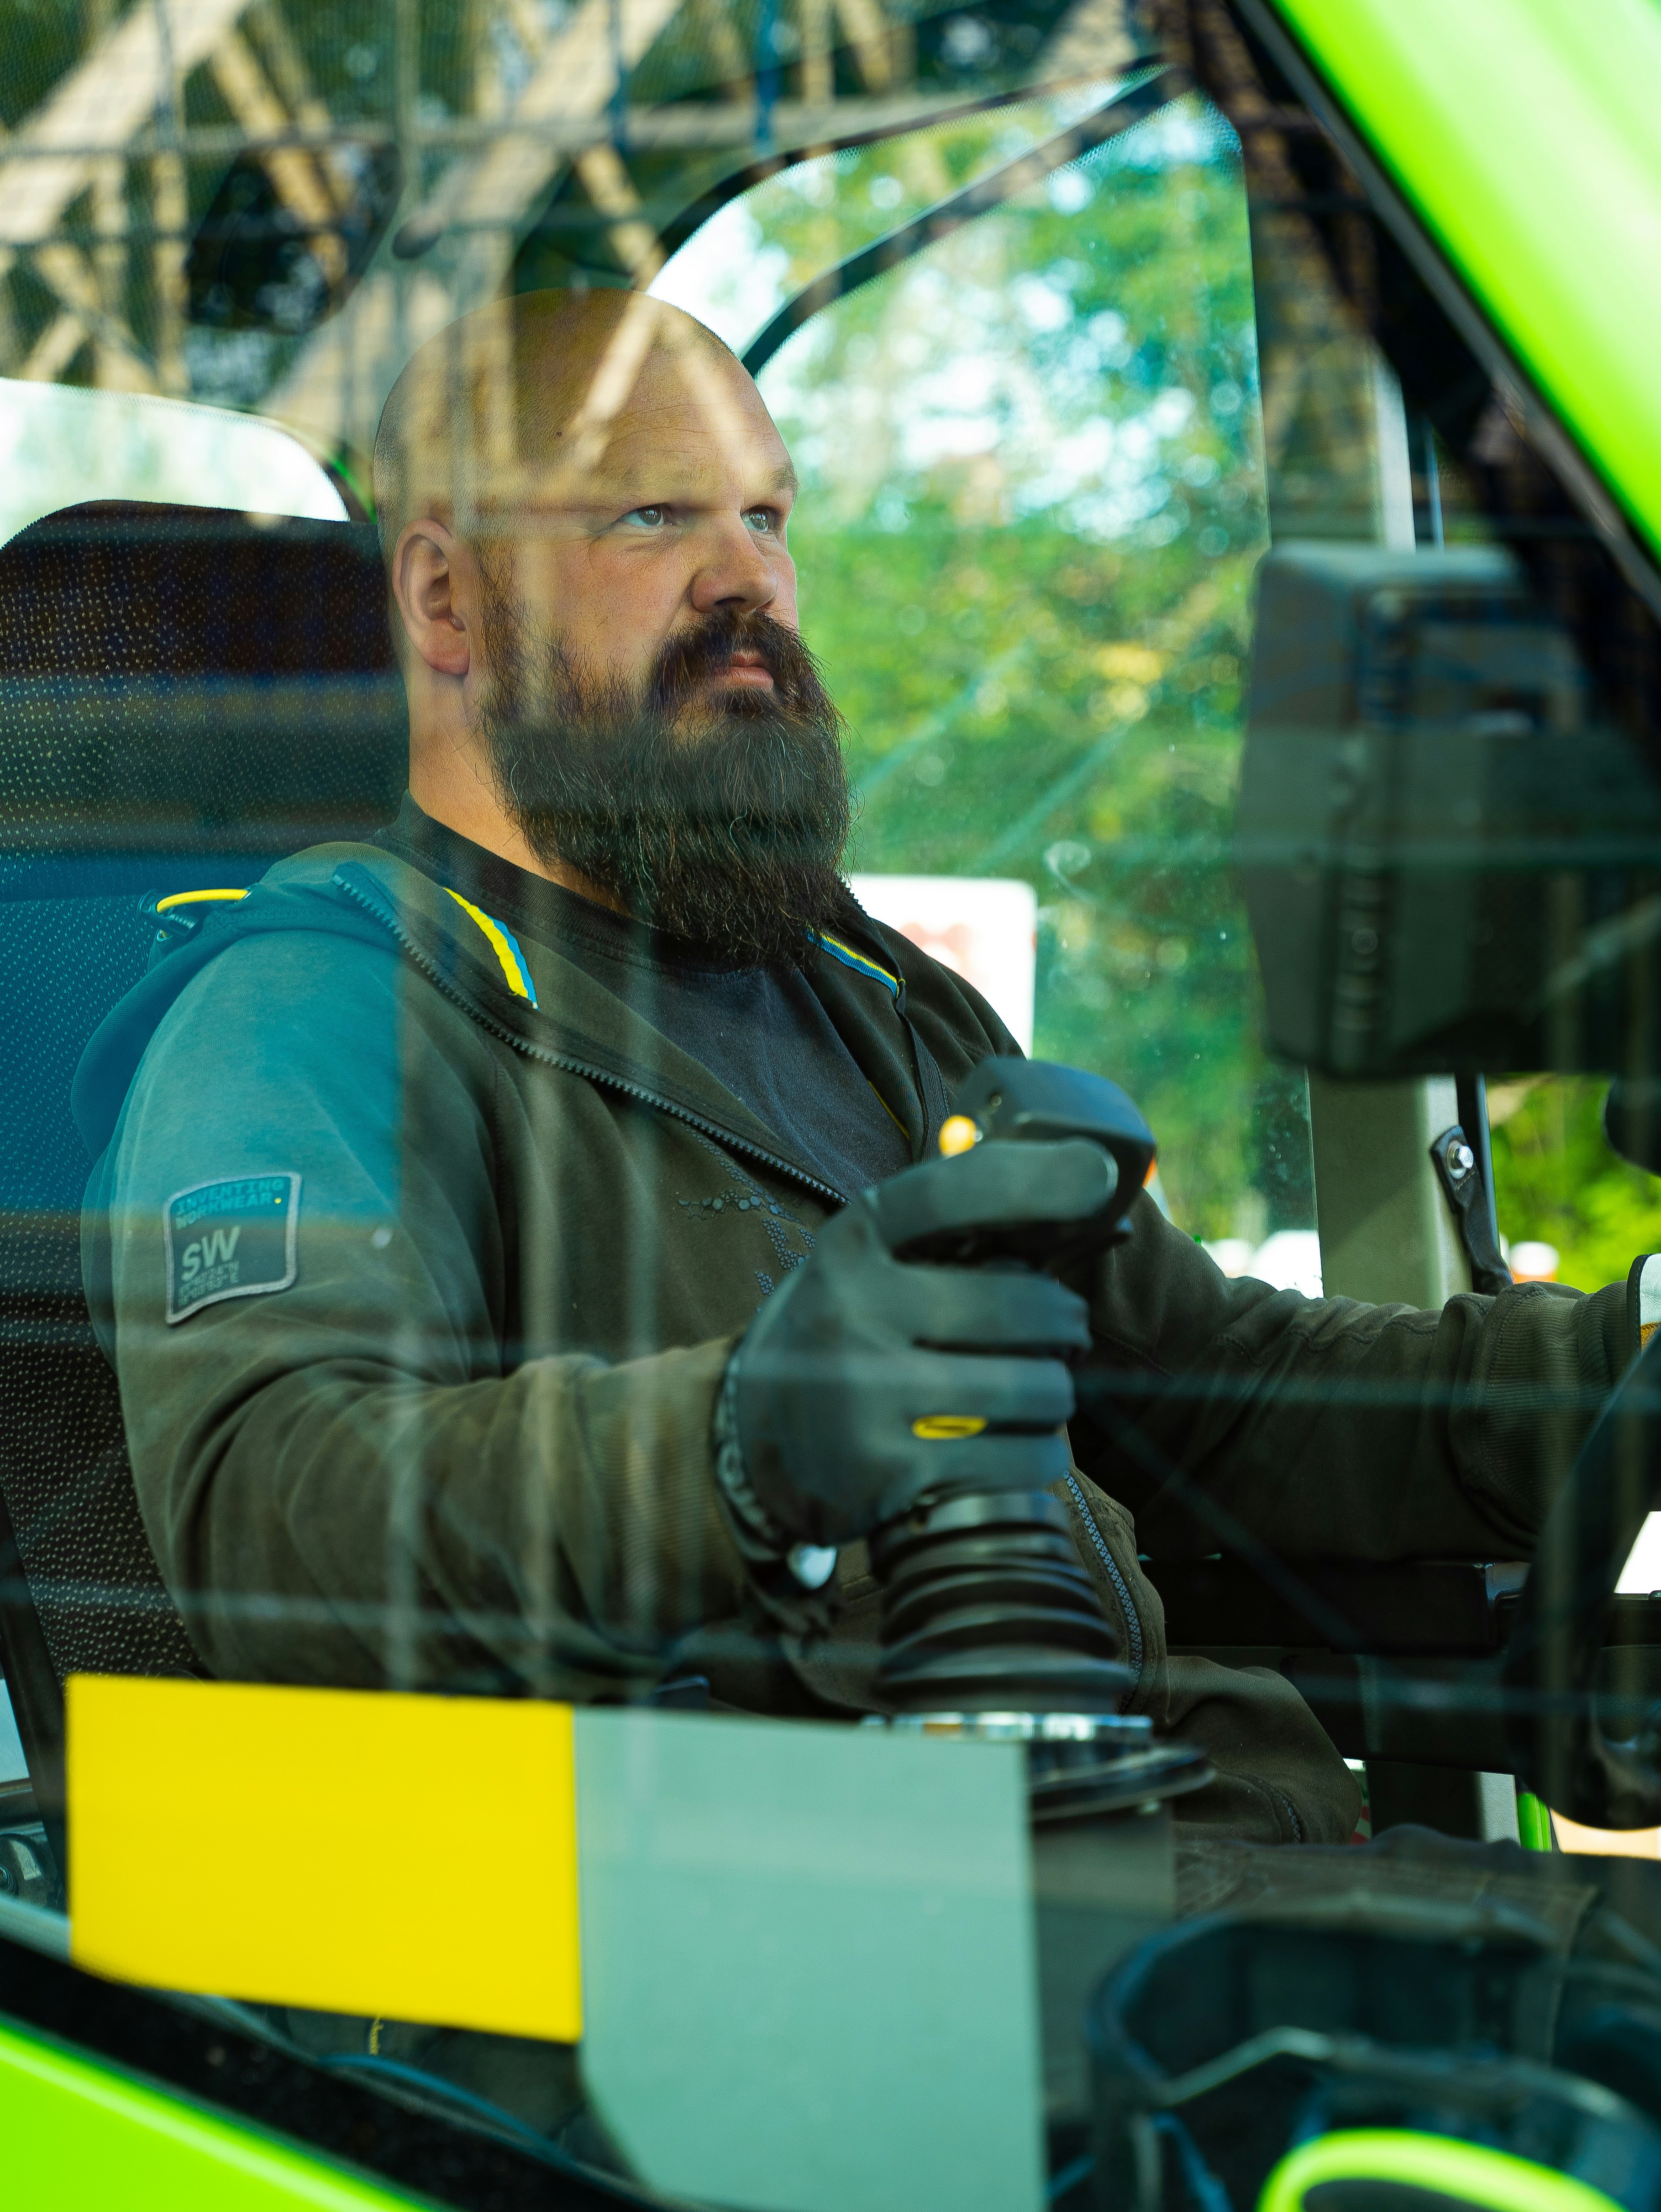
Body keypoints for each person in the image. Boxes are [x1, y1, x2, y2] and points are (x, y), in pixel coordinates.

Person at [77, 287, 1642, 1852]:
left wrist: (1612, 1362)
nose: (747, 577)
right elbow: (281, 1511)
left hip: (1160, 1847)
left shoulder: (869, 994)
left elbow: (1222, 1399)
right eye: (651, 515)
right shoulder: (316, 1007)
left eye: (767, 516)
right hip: (793, 1923)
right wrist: (749, 1442)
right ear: (444, 600)